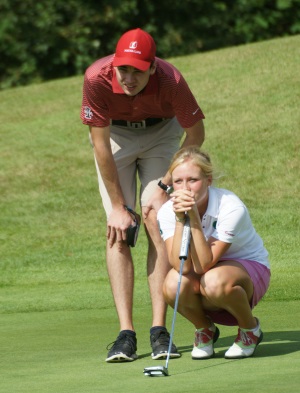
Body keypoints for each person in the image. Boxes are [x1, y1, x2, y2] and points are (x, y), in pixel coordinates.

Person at [80, 28, 205, 362]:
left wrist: (165, 184)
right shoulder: (96, 77)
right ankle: (126, 334)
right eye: (124, 69)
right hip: (115, 137)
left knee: (155, 218)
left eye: (138, 69)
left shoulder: (171, 81)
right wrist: (119, 207)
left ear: (153, 67)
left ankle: (158, 330)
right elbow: (100, 145)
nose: (129, 77)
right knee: (119, 228)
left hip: (162, 133)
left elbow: (195, 133)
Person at [157, 146, 270, 359]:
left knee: (214, 280)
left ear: (208, 180)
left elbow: (202, 265)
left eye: (193, 180)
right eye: (178, 181)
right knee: (173, 284)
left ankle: (249, 330)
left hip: (246, 269)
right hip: (205, 273)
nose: (185, 188)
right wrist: (182, 220)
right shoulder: (166, 212)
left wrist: (194, 218)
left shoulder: (230, 206)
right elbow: (182, 265)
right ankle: (204, 329)